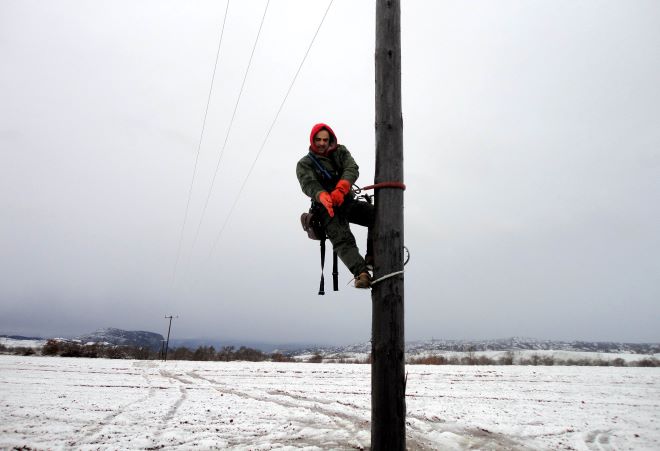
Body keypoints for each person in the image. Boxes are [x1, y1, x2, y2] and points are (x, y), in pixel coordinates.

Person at [296, 123, 374, 289]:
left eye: (325, 139)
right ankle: (362, 274)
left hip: (345, 201)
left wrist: (341, 189)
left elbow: (352, 168)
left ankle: (373, 259)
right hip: (326, 209)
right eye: (318, 140)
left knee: (376, 215)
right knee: (342, 239)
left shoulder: (340, 151)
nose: (322, 143)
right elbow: (308, 184)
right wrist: (322, 196)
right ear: (312, 140)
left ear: (330, 139)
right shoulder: (305, 164)